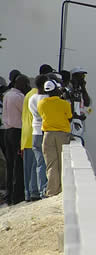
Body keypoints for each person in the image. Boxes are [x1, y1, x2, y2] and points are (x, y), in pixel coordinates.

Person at [37, 80, 72, 197]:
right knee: (63, 163)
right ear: (57, 90)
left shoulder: (41, 103)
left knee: (51, 164)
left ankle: (52, 191)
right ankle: (63, 190)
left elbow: (42, 115)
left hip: (47, 136)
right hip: (62, 135)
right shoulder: (65, 104)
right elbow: (69, 117)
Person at [2, 74, 30, 204]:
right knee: (18, 165)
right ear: (21, 84)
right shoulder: (19, 97)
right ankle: (17, 196)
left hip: (7, 131)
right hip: (17, 132)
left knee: (9, 164)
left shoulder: (7, 94)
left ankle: (8, 195)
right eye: (25, 84)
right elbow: (26, 112)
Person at [28, 75, 49, 198]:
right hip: (43, 131)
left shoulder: (32, 98)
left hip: (35, 131)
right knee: (43, 163)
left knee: (37, 163)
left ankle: (34, 190)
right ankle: (42, 190)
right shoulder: (45, 98)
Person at [21, 75, 39, 201]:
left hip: (25, 135)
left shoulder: (28, 94)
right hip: (34, 134)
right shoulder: (38, 96)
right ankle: (33, 193)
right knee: (35, 166)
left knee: (27, 169)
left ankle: (27, 194)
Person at [69, 67, 91, 144]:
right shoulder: (69, 89)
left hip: (80, 123)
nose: (82, 79)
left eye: (83, 76)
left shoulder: (81, 91)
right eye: (80, 76)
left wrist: (83, 88)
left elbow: (87, 103)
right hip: (72, 124)